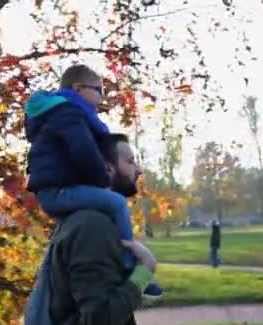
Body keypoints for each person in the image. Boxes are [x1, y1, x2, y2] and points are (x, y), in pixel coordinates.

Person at [24, 64, 161, 300]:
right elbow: (83, 150)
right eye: (98, 90)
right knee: (116, 203)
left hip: (55, 191)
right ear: (78, 88)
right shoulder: (69, 114)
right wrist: (101, 182)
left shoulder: (59, 115)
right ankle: (130, 266)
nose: (102, 97)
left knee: (109, 206)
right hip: (58, 192)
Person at [48, 133, 156, 325]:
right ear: (107, 167)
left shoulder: (90, 220)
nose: (138, 170)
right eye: (130, 161)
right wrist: (144, 272)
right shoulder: (92, 227)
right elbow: (97, 322)